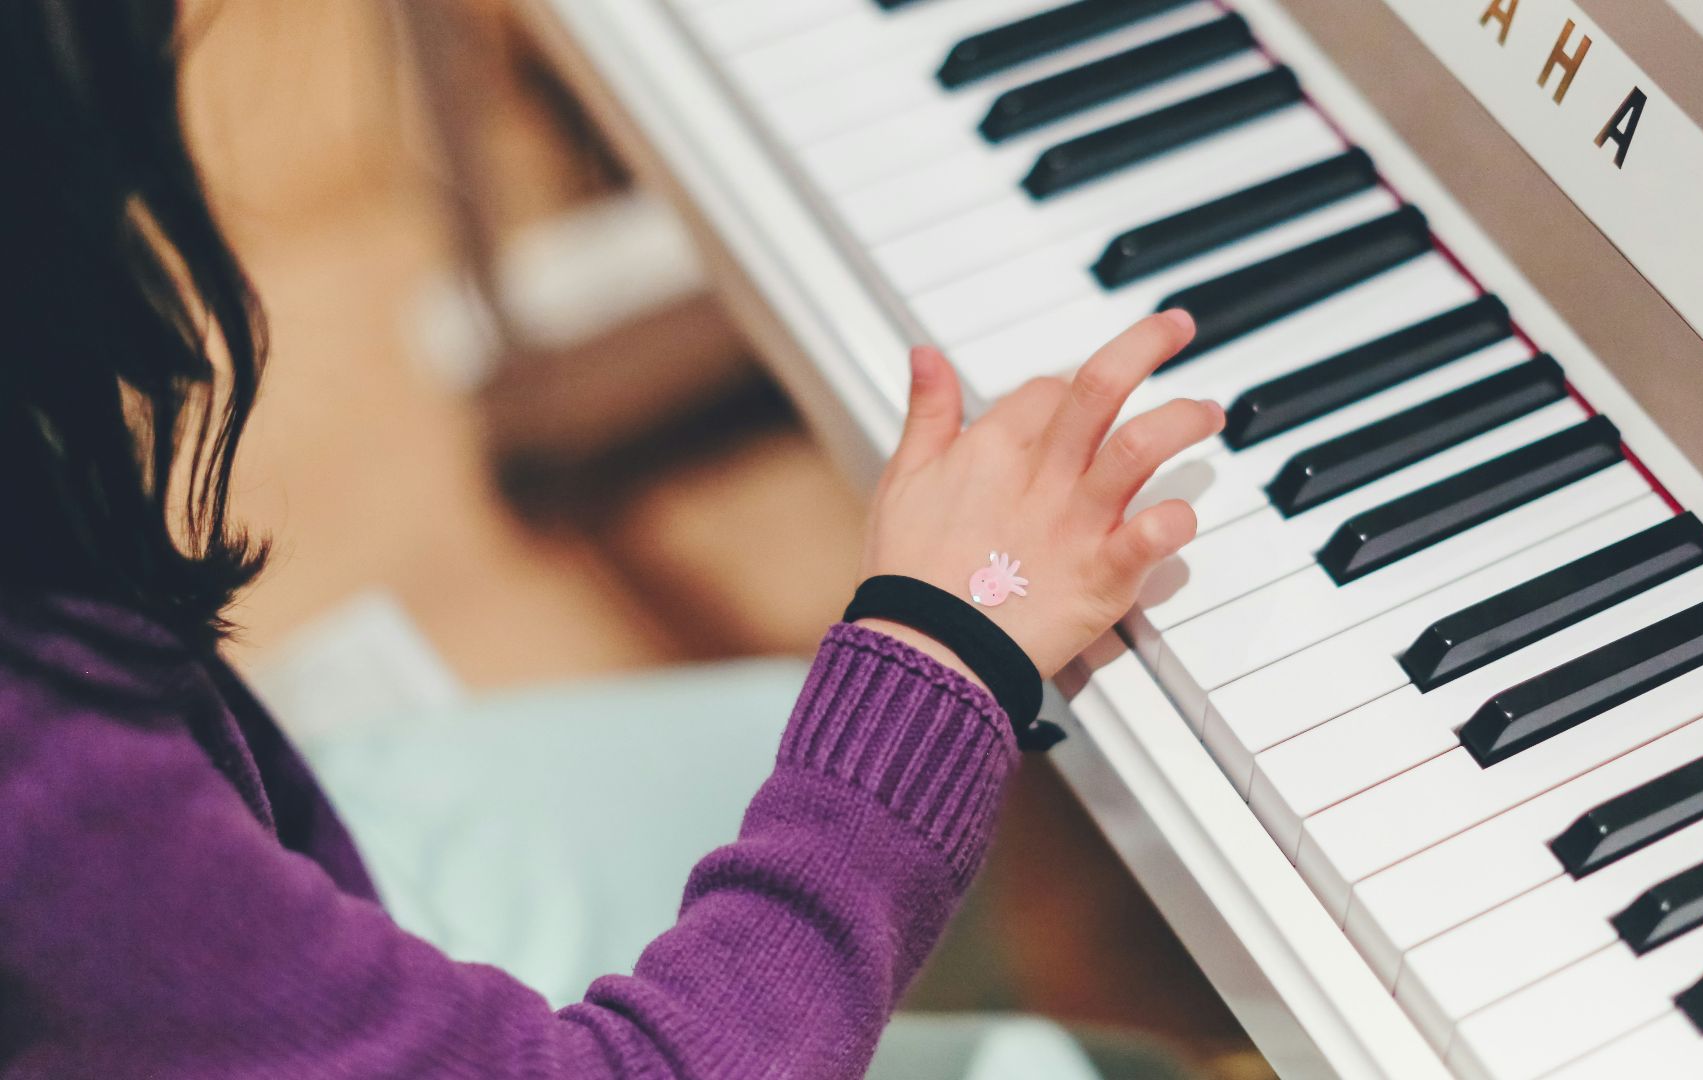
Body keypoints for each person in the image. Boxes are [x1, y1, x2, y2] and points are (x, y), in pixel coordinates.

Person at [0, 3, 1227, 1078]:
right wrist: (946, 639)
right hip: (202, 917)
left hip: (267, 860)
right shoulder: (40, 768)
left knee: (822, 759)